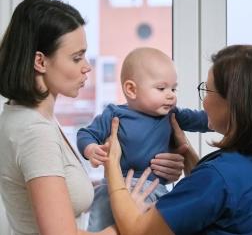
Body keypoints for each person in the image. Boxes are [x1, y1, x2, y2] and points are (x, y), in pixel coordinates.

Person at [0, 0, 185, 235]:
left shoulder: (23, 116)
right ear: (40, 62)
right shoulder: (35, 132)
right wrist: (128, 222)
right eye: (77, 58)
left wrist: (148, 169)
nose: (87, 66)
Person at [105, 44, 252, 234]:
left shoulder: (217, 178)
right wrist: (185, 151)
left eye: (208, 90)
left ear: (234, 104)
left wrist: (112, 163)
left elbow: (138, 231)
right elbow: (230, 200)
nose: (204, 102)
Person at [76, 47, 210, 231]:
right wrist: (91, 149)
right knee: (100, 224)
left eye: (174, 88)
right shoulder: (114, 114)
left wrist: (235, 116)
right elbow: (85, 134)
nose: (171, 95)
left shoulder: (172, 115)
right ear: (131, 89)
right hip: (114, 188)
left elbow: (204, 120)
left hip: (155, 190)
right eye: (161, 88)